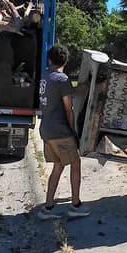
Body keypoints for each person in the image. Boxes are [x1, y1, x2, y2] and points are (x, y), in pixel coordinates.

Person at [36, 44, 91, 220]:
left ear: (50, 60)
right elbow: (68, 109)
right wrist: (73, 130)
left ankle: (48, 207)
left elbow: (64, 92)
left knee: (58, 165)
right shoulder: (62, 79)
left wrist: (82, 87)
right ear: (65, 61)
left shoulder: (46, 77)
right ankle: (75, 205)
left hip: (46, 129)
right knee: (75, 164)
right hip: (60, 131)